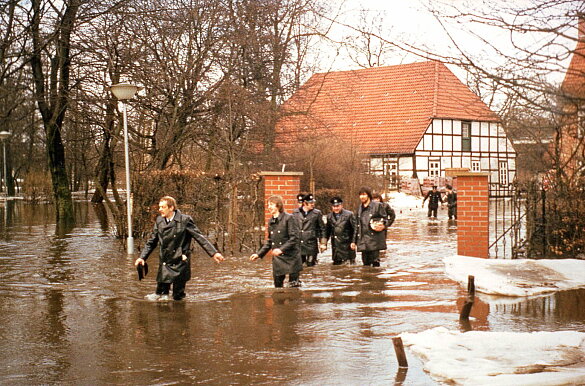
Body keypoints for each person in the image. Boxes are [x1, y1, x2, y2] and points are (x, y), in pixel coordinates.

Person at [135, 196, 224, 301]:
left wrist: (214, 253)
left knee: (178, 297)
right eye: (159, 207)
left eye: (162, 207)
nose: (159, 210)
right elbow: (152, 242)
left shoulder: (185, 220)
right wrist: (142, 257)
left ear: (171, 208)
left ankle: (181, 313)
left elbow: (199, 237)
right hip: (165, 260)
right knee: (160, 295)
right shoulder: (159, 221)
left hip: (181, 260)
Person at [250, 195, 302, 287]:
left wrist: (281, 249)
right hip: (278, 260)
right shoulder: (271, 221)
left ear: (278, 205)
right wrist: (259, 254)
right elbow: (270, 241)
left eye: (271, 204)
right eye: (268, 205)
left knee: (294, 287)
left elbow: (294, 238)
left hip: (291, 258)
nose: (269, 207)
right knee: (277, 287)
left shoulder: (289, 218)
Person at [351, 186, 388, 267]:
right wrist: (354, 241)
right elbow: (357, 226)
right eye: (360, 195)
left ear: (368, 195)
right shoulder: (359, 208)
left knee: (375, 266)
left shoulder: (377, 206)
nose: (362, 197)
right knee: (365, 266)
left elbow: (385, 219)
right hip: (363, 242)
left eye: (364, 194)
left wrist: (382, 225)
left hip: (374, 241)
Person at [292, 193, 327, 266]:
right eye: (310, 203)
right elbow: (292, 228)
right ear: (305, 203)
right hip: (299, 244)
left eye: (313, 202)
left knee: (311, 265)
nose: (313, 204)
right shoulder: (295, 213)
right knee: (300, 265)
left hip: (311, 244)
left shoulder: (317, 213)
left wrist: (323, 243)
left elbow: (322, 229)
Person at [324, 197, 357, 265]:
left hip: (347, 247)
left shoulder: (349, 214)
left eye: (338, 206)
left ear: (341, 205)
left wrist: (354, 242)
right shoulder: (329, 217)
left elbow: (355, 229)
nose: (336, 208)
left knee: (348, 269)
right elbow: (327, 231)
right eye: (334, 206)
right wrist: (324, 243)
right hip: (336, 248)